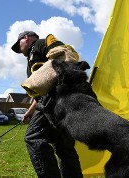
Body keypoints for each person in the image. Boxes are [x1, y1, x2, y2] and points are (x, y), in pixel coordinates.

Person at [11, 31, 83, 178]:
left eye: (19, 45)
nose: (19, 50)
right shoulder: (34, 55)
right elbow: (39, 94)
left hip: (54, 98)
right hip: (65, 100)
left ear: (26, 38)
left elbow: (62, 53)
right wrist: (30, 112)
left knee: (33, 137)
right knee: (63, 146)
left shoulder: (40, 44)